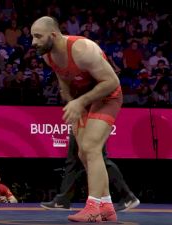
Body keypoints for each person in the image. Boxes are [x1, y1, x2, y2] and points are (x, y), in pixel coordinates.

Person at [31, 16, 122, 222]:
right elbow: (63, 82)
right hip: (83, 99)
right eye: (32, 37)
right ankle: (106, 206)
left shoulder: (82, 49)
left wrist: (80, 103)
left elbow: (112, 82)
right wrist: (72, 103)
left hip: (107, 96)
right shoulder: (48, 55)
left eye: (38, 36)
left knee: (91, 147)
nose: (33, 42)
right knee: (83, 153)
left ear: (53, 35)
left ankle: (93, 208)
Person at [40, 132, 140, 211]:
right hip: (81, 119)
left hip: (92, 119)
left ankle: (127, 196)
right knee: (73, 160)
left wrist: (77, 106)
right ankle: (63, 199)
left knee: (100, 159)